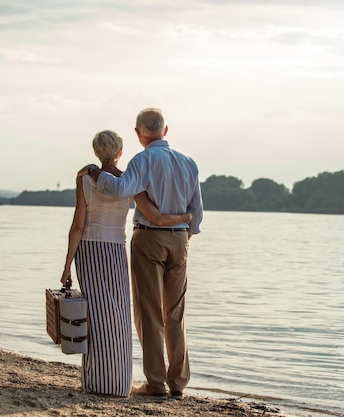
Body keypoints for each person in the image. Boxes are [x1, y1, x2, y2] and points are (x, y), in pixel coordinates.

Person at [61, 129, 191, 398]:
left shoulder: (85, 179)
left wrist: (66, 266)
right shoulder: (131, 182)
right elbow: (154, 215)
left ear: (97, 152)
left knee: (95, 315)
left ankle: (96, 380)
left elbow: (77, 226)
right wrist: (184, 218)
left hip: (89, 249)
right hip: (117, 250)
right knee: (119, 315)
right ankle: (120, 383)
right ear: (120, 153)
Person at [86, 108, 203, 401]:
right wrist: (182, 236)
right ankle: (178, 383)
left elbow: (122, 189)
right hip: (180, 241)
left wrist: (95, 174)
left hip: (149, 239)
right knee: (175, 313)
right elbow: (197, 213)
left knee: (149, 313)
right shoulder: (189, 162)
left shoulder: (143, 159)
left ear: (139, 134)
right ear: (165, 131)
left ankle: (156, 384)